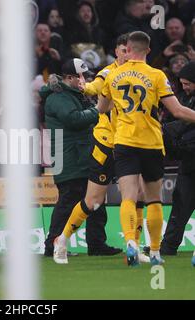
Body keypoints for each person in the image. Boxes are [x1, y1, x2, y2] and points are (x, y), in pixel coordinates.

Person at [96, 31, 195, 266]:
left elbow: (101, 108)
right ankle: (155, 252)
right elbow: (178, 111)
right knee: (153, 200)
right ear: (148, 51)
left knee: (129, 197)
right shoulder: (157, 75)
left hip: (124, 142)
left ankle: (130, 242)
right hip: (150, 143)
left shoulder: (113, 75)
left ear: (127, 49)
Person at [53, 34, 136, 264]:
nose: (127, 54)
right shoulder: (108, 73)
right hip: (105, 142)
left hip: (130, 142)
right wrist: (86, 87)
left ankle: (137, 248)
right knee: (93, 200)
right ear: (116, 52)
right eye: (123, 50)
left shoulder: (143, 73)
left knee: (135, 194)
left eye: (130, 50)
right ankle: (62, 239)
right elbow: (94, 86)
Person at [41, 58, 120, 258]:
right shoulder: (58, 97)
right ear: (69, 78)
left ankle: (96, 243)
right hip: (69, 158)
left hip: (80, 156)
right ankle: (53, 244)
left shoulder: (71, 95)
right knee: (68, 201)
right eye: (82, 76)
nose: (86, 80)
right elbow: (74, 119)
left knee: (95, 200)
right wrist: (98, 110)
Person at [159, 62, 195, 255]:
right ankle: (168, 247)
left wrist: (165, 130)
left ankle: (168, 246)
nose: (184, 87)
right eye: (182, 83)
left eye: (188, 83)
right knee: (180, 206)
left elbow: (182, 125)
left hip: (189, 158)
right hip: (188, 165)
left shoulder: (185, 104)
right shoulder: (184, 99)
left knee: (181, 205)